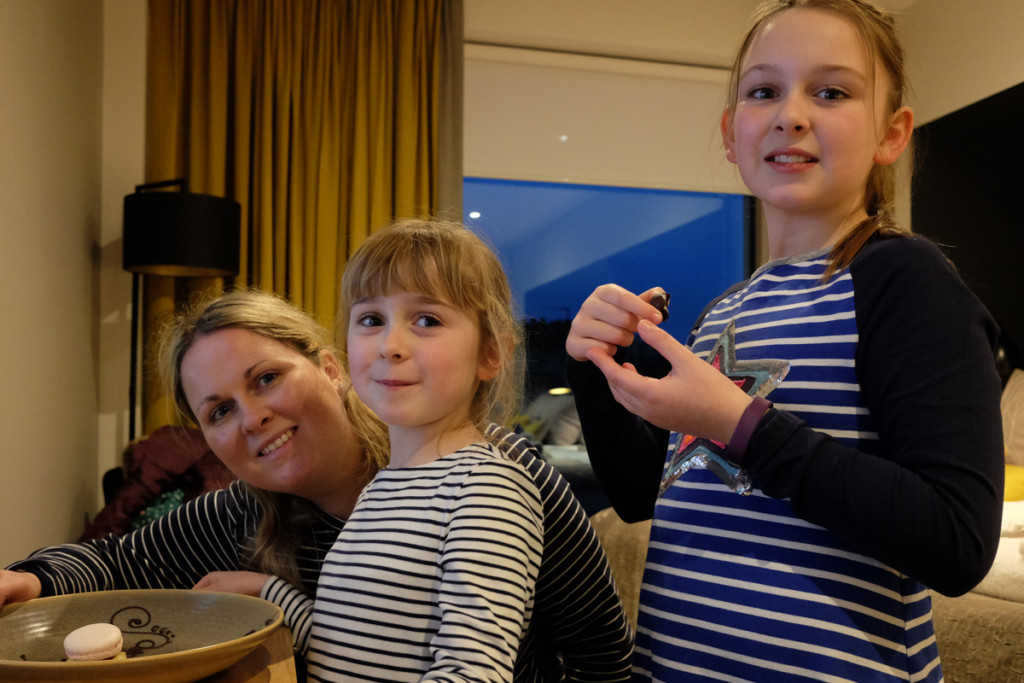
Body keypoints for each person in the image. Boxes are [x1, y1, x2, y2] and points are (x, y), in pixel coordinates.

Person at [564, 1, 1003, 681]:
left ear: (891, 134)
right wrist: (596, 365)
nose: (790, 114)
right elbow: (640, 495)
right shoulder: (724, 311)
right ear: (731, 133)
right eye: (764, 90)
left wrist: (741, 424)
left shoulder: (902, 279)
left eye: (831, 92)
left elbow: (957, 540)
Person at [3, 289, 633, 680]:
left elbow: (601, 657)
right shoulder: (240, 514)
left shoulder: (493, 470)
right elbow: (113, 562)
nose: (251, 418)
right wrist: (30, 579)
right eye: (219, 411)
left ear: (332, 368)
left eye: (266, 379)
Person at [306, 219, 607, 681]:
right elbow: (353, 642)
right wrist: (274, 596)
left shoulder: (486, 489)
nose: (390, 346)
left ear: (491, 353)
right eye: (371, 320)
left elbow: (472, 673)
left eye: (426, 320)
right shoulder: (382, 487)